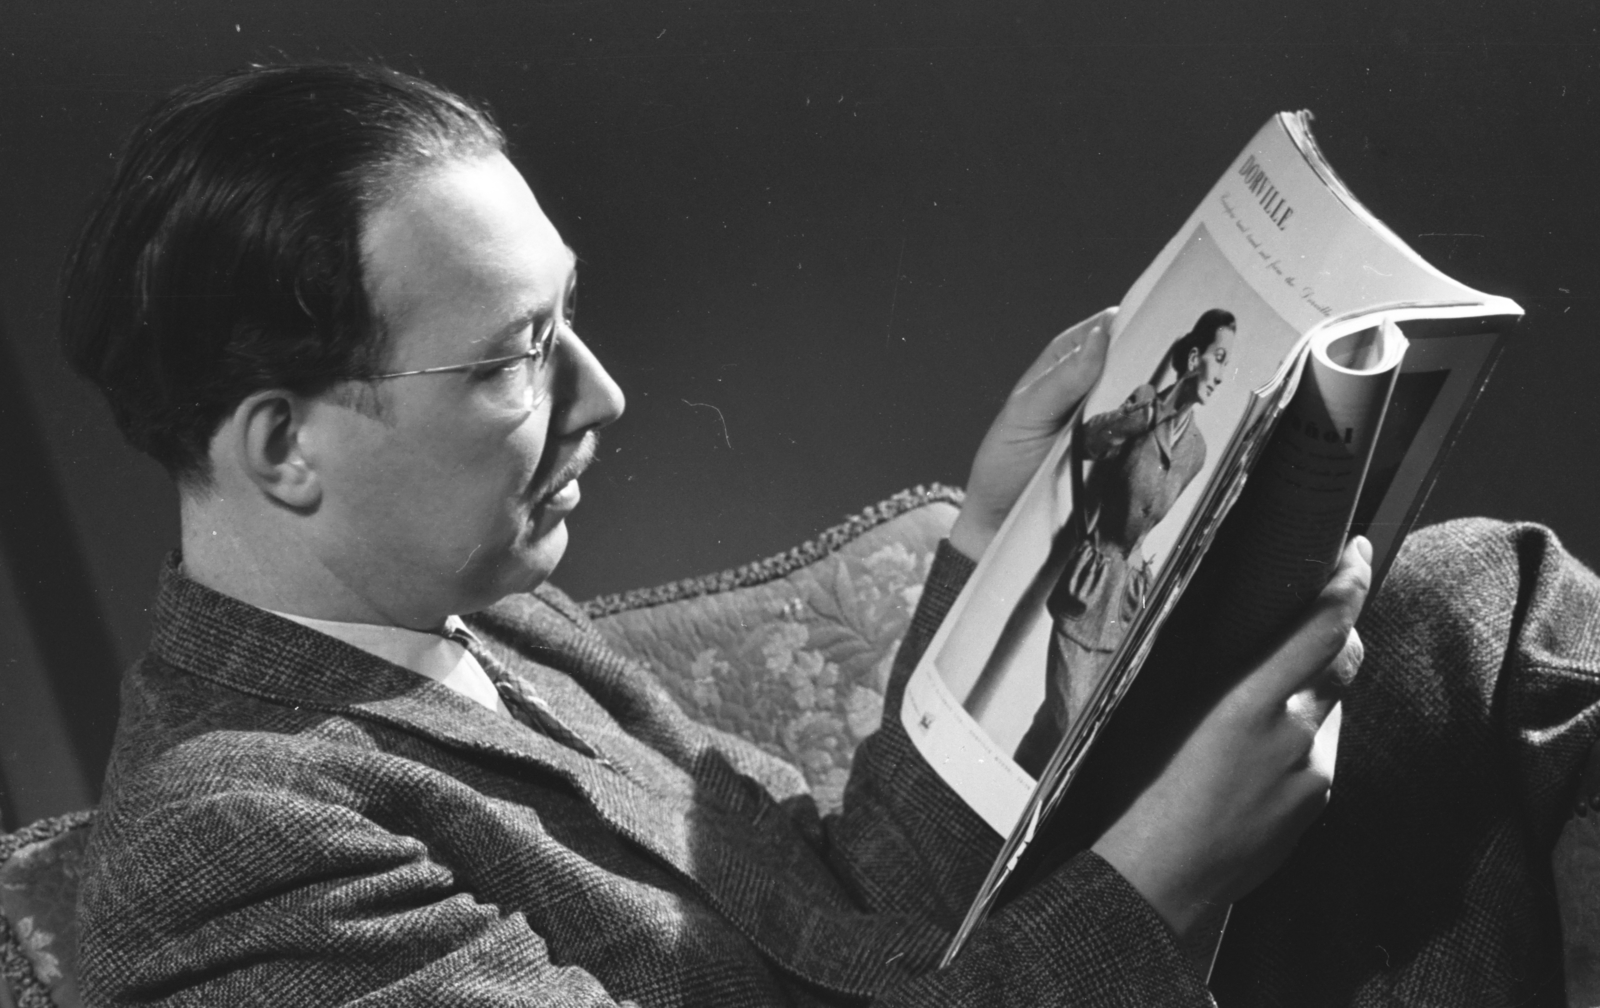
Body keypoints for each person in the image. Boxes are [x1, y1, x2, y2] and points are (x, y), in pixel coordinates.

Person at [60, 63, 1597, 1007]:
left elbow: (843, 908)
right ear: (284, 446)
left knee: (1472, 601)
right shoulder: (225, 854)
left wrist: (996, 536)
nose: (603, 393)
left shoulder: (477, 614)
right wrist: (1155, 891)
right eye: (516, 357)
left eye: (569, 317)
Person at [1009, 309, 1236, 776]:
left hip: (1126, 601)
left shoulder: (1196, 452)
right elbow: (1089, 442)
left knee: (1054, 731)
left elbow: (1153, 516)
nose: (1222, 374)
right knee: (1072, 726)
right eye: (1219, 357)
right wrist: (1146, 417)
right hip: (1090, 582)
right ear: (1195, 357)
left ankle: (1005, 791)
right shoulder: (1146, 403)